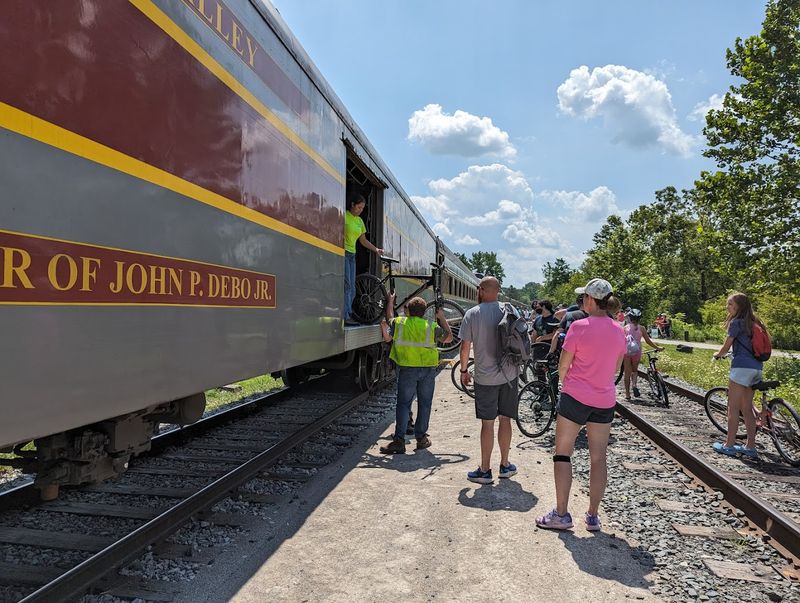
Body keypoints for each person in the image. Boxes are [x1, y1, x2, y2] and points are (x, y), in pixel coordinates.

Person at [536, 278, 625, 532]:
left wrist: (569, 385)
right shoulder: (620, 330)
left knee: (563, 453)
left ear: (588, 299)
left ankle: (562, 514)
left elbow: (564, 366)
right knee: (598, 457)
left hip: (575, 396)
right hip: (604, 399)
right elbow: (616, 368)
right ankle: (593, 516)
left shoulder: (578, 327)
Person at [459, 277, 520, 484]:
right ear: (498, 291)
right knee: (505, 419)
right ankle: (505, 465)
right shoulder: (510, 309)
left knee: (487, 423)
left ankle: (485, 470)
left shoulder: (472, 314)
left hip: (485, 378)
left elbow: (465, 347)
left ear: (482, 290)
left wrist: (464, 370)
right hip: (509, 375)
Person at [379, 295, 452, 454]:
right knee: (425, 404)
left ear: (408, 312)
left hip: (407, 369)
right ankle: (421, 439)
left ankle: (399, 441)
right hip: (427, 370)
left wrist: (390, 301)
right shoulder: (431, 326)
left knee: (404, 404)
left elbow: (390, 317)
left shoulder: (400, 323)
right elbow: (449, 338)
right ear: (424, 312)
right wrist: (442, 318)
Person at [712, 293, 765, 459]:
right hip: (756, 368)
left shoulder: (736, 323)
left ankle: (729, 445)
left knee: (733, 408)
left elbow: (726, 347)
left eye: (730, 305)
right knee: (747, 408)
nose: (728, 308)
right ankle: (750, 446)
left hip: (741, 368)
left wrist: (717, 354)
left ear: (738, 307)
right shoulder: (755, 322)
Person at [344, 194, 382, 326]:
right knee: (347, 286)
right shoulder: (344, 215)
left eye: (363, 208)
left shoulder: (359, 221)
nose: (361, 210)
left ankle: (348, 314)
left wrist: (376, 250)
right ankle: (345, 316)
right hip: (342, 252)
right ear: (352, 204)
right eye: (359, 207)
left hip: (352, 255)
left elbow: (363, 241)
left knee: (352, 288)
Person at [622, 309, 663, 400]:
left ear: (630, 317)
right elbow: (648, 341)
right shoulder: (642, 328)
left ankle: (628, 395)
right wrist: (657, 348)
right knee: (635, 370)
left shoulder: (625, 328)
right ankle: (634, 385)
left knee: (627, 373)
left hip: (627, 352)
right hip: (637, 351)